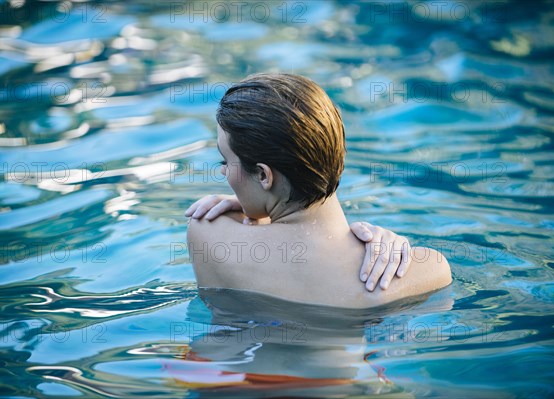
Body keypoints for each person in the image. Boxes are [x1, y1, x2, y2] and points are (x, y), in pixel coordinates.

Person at [186, 73, 451, 308]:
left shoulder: (209, 234)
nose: (223, 172)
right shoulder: (429, 271)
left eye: (225, 161)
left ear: (265, 176)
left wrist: (253, 211)